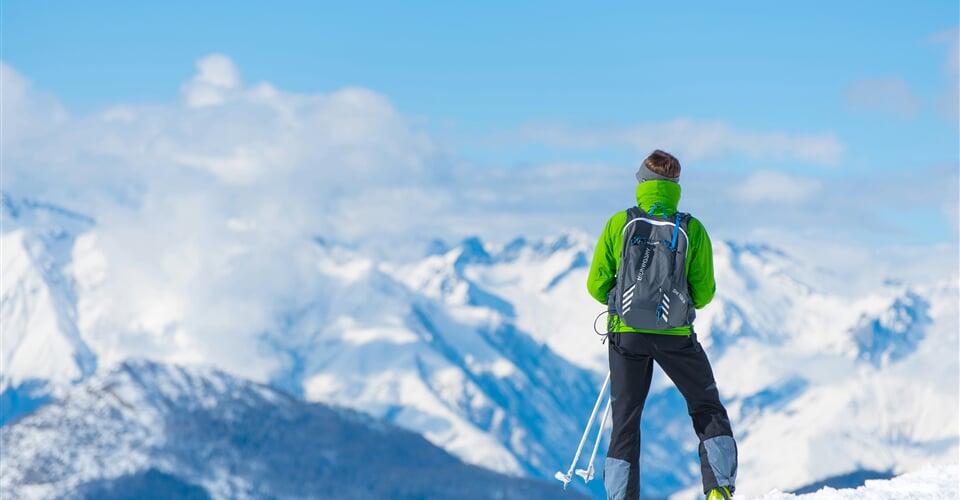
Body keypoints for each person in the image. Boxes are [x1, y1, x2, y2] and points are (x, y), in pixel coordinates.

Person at [586, 150, 738, 500]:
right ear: (676, 186)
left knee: (625, 421)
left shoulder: (619, 224)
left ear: (641, 183)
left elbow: (596, 285)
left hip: (627, 334)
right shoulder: (691, 229)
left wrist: (621, 300)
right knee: (706, 406)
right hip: (675, 335)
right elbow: (704, 292)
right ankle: (718, 490)